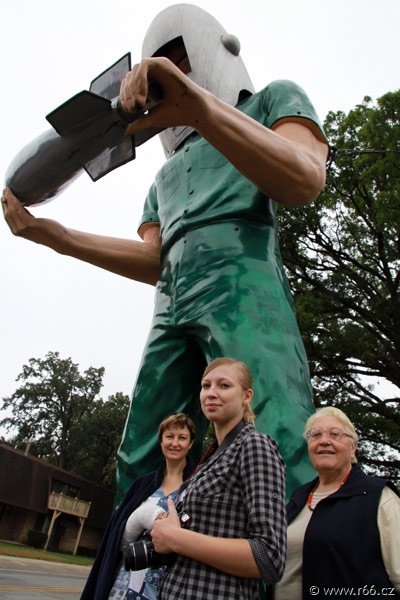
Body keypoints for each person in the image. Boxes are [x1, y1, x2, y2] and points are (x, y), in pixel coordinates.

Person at [1, 4, 330, 503]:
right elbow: (155, 260)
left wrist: (201, 108)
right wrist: (57, 236)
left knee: (273, 417)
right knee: (144, 442)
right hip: (170, 299)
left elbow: (305, 177)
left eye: (183, 59)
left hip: (244, 279)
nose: (173, 75)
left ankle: (292, 547)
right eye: (163, 65)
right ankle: (132, 546)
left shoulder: (273, 100)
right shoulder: (164, 177)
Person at [150, 357, 286, 599]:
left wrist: (176, 538)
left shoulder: (254, 445)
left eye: (224, 385)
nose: (211, 393)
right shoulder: (212, 457)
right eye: (206, 385)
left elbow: (268, 558)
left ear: (246, 396)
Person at [274, 406, 400, 600]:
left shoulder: (378, 496)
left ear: (353, 448)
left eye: (335, 434)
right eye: (315, 435)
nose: (324, 441)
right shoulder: (297, 499)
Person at [80, 412, 196, 600]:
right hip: (125, 585)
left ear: (190, 444)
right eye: (169, 436)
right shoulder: (142, 485)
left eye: (182, 438)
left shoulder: (195, 487)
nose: (175, 443)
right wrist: (145, 517)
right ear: (161, 441)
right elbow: (118, 539)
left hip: (167, 587)